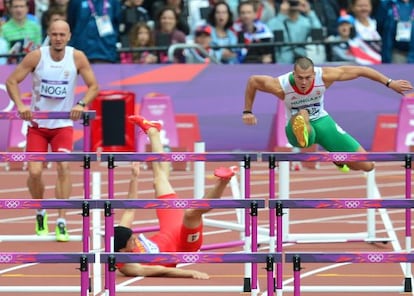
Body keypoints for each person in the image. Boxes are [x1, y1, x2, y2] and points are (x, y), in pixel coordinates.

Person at [5, 19, 99, 241]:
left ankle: (62, 221)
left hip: (62, 126)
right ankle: (40, 212)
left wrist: (81, 104)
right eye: (54, 34)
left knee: (64, 167)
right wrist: (20, 105)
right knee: (35, 172)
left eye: (62, 34)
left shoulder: (77, 57)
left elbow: (94, 86)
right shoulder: (37, 56)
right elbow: (11, 81)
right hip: (38, 126)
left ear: (69, 36)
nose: (58, 38)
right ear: (49, 35)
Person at [114, 115, 236, 278]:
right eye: (132, 241)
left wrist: (134, 178)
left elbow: (129, 211)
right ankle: (223, 181)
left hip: (169, 230)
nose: (135, 240)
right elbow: (162, 270)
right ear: (122, 250)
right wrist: (190, 273)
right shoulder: (129, 266)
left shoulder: (118, 234)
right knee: (191, 212)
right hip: (183, 246)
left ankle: (153, 132)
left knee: (159, 180)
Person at [242, 56, 413, 172]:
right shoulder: (280, 86)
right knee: (302, 116)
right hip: (295, 129)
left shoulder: (326, 76)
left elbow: (362, 70)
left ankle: (339, 160)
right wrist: (247, 111)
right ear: (294, 74)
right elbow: (253, 81)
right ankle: (304, 127)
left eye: (307, 78)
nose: (303, 82)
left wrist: (390, 83)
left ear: (314, 74)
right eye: (300, 77)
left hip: (323, 122)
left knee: (367, 165)